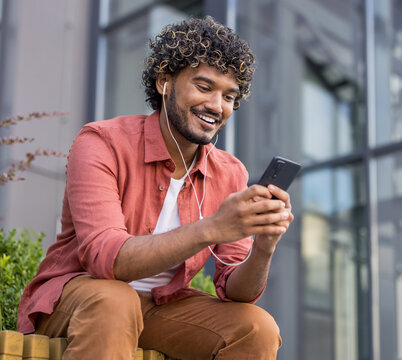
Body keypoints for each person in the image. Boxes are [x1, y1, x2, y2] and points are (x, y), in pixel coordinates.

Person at [18, 16, 293, 360]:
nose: (216, 106)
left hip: (161, 308)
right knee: (114, 300)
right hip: (81, 298)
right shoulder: (102, 142)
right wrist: (212, 227)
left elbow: (236, 293)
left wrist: (264, 246)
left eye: (229, 96)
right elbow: (106, 259)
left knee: (256, 328)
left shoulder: (229, 172)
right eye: (204, 87)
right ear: (165, 82)